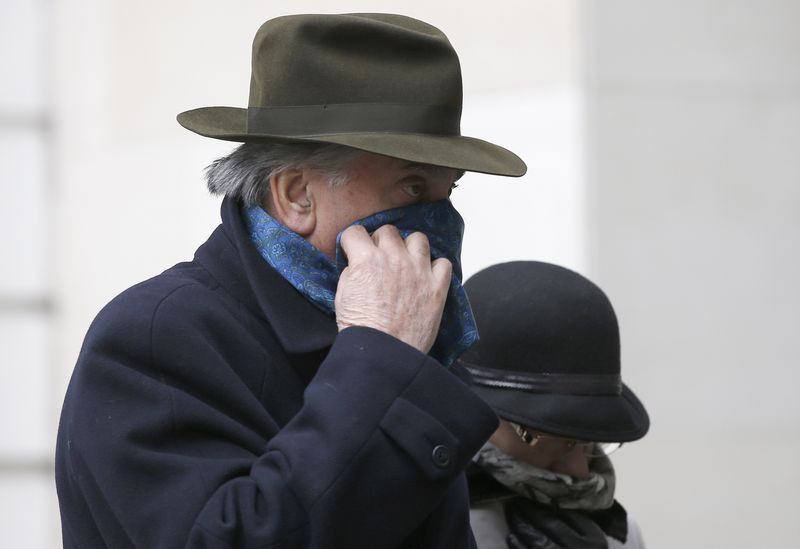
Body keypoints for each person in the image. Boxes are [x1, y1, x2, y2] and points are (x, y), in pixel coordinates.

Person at [55, 13, 527, 549]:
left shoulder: (408, 337)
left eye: (449, 193)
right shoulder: (157, 335)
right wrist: (379, 360)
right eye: (412, 186)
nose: (438, 223)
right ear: (297, 195)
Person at [459, 261, 650, 549]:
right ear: (475, 413)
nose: (580, 471)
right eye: (557, 440)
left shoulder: (617, 534)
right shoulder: (414, 522)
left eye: (590, 444)